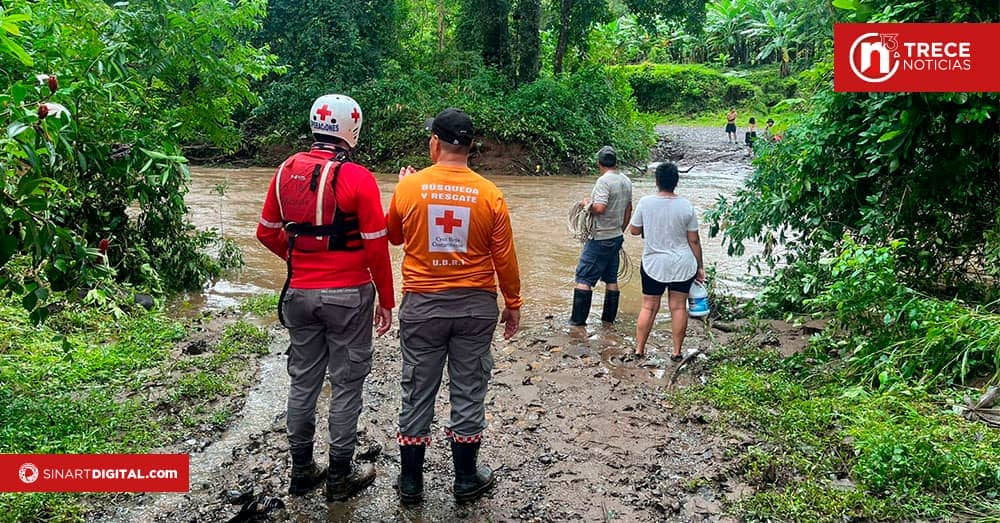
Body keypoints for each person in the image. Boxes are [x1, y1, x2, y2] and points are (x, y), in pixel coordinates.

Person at [256, 94, 394, 502]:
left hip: (298, 294)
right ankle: (339, 475)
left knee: (303, 382)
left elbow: (266, 232)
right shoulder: (359, 178)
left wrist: (301, 258)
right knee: (347, 384)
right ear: (353, 129)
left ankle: (301, 472)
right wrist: (386, 298)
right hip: (349, 296)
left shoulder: (284, 171)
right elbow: (375, 246)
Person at [387, 108, 523, 505]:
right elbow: (505, 258)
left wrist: (403, 188)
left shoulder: (410, 188)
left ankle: (411, 483)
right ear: (470, 147)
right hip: (475, 308)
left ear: (435, 143)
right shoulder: (490, 193)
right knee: (468, 389)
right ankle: (466, 478)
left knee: (417, 390)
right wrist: (512, 302)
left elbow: (393, 236)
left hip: (422, 306)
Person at [628, 162, 704, 361]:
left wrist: (649, 228)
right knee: (678, 307)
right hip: (683, 263)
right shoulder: (686, 205)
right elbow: (694, 240)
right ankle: (677, 352)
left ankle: (639, 349)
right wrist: (700, 266)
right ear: (676, 182)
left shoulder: (646, 203)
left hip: (654, 263)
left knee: (648, 306)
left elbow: (634, 230)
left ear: (657, 181)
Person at [569, 146, 632, 326]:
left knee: (583, 278)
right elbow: (629, 209)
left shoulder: (604, 182)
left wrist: (586, 204)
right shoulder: (626, 180)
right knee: (611, 278)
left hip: (600, 238)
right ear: (616, 162)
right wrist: (620, 230)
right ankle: (608, 321)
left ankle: (577, 322)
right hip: (616, 236)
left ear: (599, 163)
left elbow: (600, 208)